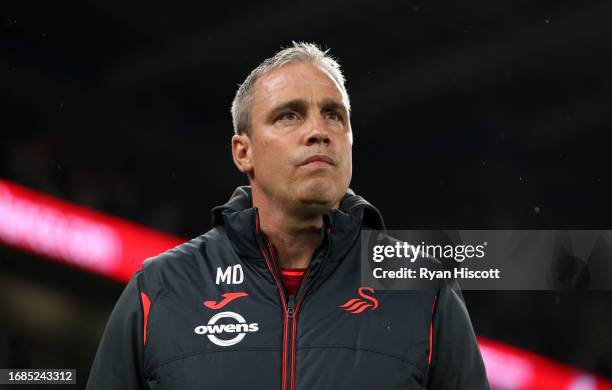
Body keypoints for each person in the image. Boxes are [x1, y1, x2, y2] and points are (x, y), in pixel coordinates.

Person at [86, 42, 490, 390]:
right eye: (289, 115)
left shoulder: (425, 291)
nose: (319, 131)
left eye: (334, 115)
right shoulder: (160, 289)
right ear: (243, 152)